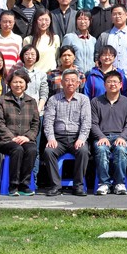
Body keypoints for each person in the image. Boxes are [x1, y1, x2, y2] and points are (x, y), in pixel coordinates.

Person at [42, 69, 92, 197]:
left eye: (73, 80)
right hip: (58, 138)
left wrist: (81, 139)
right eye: (67, 80)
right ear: (62, 82)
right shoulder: (53, 99)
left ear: (78, 83)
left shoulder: (84, 99)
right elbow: (48, 122)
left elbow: (86, 122)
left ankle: (78, 186)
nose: (70, 83)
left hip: (76, 137)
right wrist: (51, 138)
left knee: (83, 151)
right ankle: (55, 186)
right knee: (48, 151)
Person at [0, 69, 40, 196]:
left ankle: (24, 185)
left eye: (21, 82)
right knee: (17, 149)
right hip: (6, 141)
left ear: (26, 83)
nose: (18, 85)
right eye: (15, 82)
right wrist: (11, 137)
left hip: (25, 139)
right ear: (9, 84)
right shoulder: (2, 100)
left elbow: (36, 123)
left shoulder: (31, 101)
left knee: (32, 149)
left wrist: (27, 137)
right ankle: (13, 185)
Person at [90, 70, 127, 196]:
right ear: (104, 85)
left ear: (121, 84)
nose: (112, 84)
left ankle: (119, 183)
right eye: (109, 82)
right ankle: (104, 183)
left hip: (120, 136)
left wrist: (123, 137)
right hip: (102, 136)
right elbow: (93, 124)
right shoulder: (96, 102)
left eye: (115, 82)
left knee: (121, 149)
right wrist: (101, 136)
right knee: (101, 149)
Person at [96, 5, 127, 79]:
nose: (117, 16)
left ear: (126, 15)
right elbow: (97, 55)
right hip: (108, 79)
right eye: (114, 14)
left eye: (120, 13)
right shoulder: (104, 36)